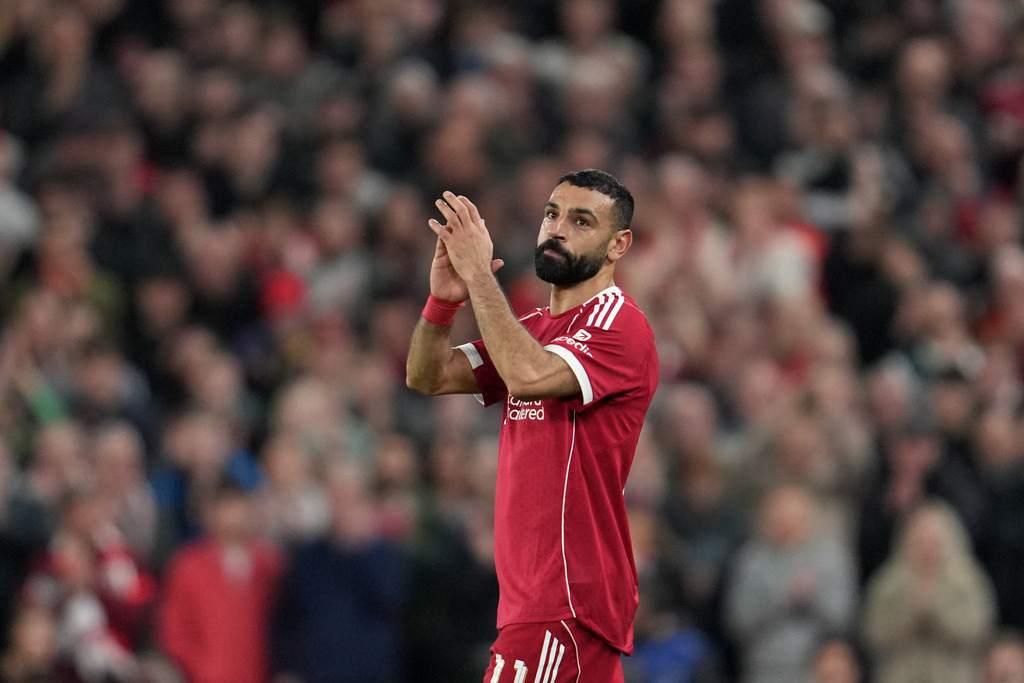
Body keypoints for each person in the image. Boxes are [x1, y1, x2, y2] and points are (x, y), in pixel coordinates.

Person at [406, 168, 659, 682]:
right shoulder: (533, 329)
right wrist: (443, 301)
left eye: (581, 221)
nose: (557, 229)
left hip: (564, 602)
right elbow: (428, 375)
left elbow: (526, 375)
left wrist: (479, 275)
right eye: (551, 214)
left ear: (618, 245)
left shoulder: (618, 322)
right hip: (541, 606)